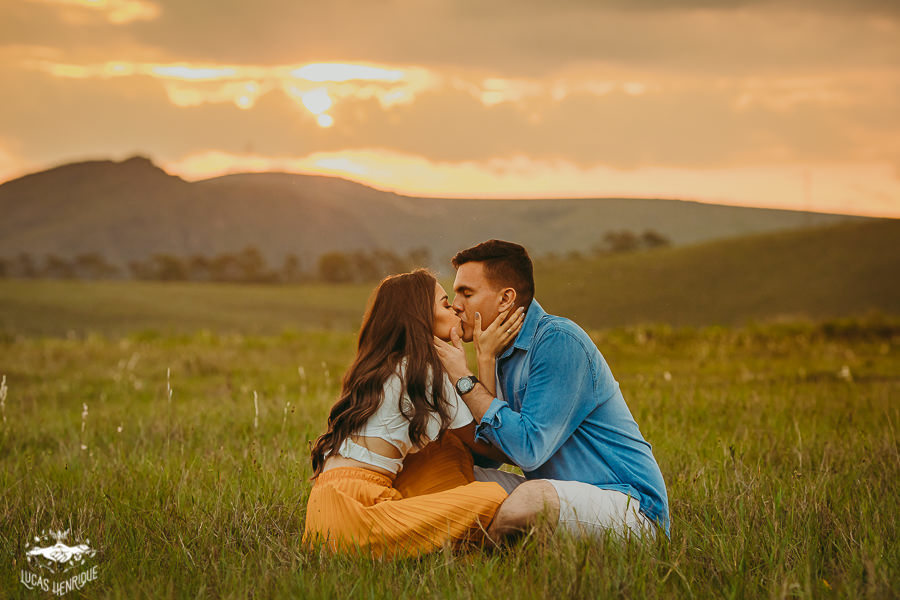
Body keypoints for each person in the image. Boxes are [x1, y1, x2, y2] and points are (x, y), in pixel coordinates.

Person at [434, 240, 670, 541]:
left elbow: (527, 450)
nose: (456, 304)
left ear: (506, 298)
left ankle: (473, 557)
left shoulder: (558, 341)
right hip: (560, 492)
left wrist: (463, 379)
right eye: (455, 294)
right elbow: (493, 455)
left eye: (467, 293)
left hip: (628, 506)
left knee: (531, 502)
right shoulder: (498, 353)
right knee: (452, 480)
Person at [302, 269, 522, 558]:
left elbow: (470, 448)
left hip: (325, 512)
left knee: (447, 448)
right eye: (445, 304)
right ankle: (473, 553)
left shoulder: (385, 367)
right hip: (358, 515)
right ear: (421, 317)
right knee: (493, 496)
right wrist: (486, 356)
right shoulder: (425, 371)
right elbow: (491, 444)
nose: (456, 308)